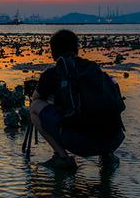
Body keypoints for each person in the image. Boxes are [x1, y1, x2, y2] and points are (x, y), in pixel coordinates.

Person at [29, 29, 125, 170]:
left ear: (53, 52)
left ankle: (63, 158)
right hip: (114, 139)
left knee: (34, 107)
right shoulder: (93, 68)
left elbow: (36, 99)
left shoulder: (53, 73)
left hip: (80, 143)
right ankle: (107, 157)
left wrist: (52, 97)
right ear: (76, 49)